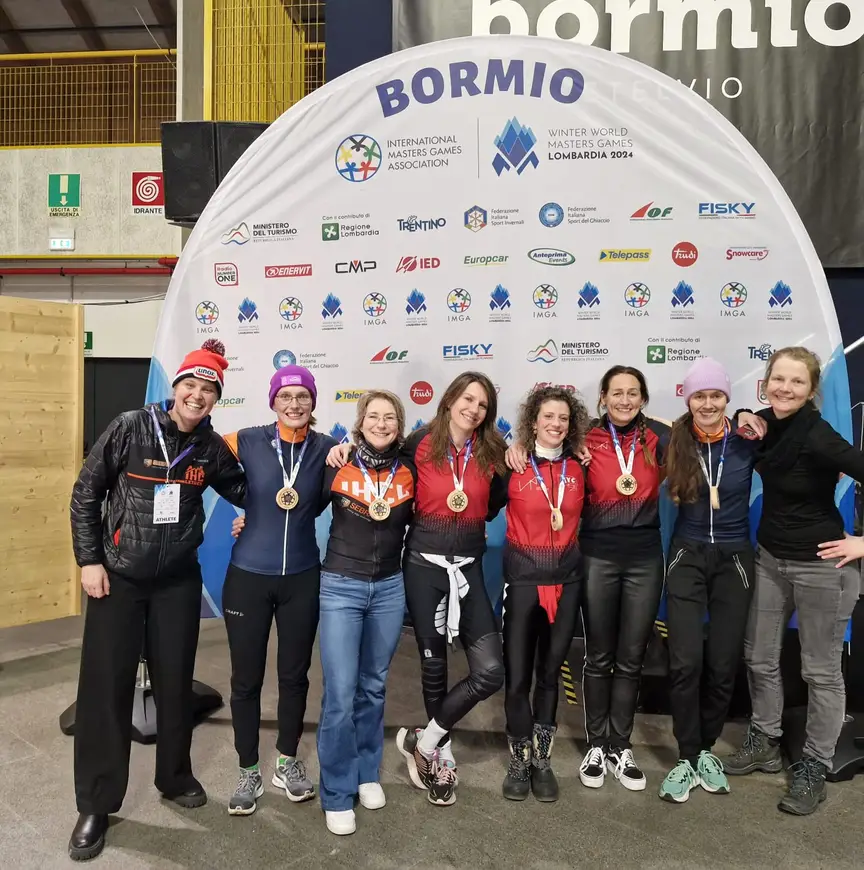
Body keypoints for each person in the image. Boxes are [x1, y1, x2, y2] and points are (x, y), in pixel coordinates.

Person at [68, 340, 246, 861]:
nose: (196, 395)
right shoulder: (130, 426)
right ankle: (97, 804)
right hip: (117, 579)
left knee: (173, 684)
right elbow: (87, 491)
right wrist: (89, 560)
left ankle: (174, 775)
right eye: (189, 385)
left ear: (215, 399)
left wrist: (256, 513)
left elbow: (251, 491)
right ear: (176, 389)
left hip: (175, 583)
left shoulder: (211, 448)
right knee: (107, 690)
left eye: (207, 389)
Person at [330, 372, 507, 806]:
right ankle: (440, 755)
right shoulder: (418, 443)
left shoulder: (494, 451)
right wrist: (345, 448)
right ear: (450, 400)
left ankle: (424, 740)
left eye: (482, 405)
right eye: (468, 399)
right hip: (423, 568)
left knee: (489, 671)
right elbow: (380, 461)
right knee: (434, 669)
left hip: (469, 569)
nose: (474, 409)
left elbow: (496, 502)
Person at [505, 367, 669, 791]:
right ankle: (595, 744)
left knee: (631, 657)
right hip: (593, 558)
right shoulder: (586, 442)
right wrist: (519, 445)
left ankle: (620, 744)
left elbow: (705, 428)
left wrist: (747, 415)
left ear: (644, 398)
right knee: (597, 655)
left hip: (643, 558)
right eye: (617, 392)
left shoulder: (659, 437)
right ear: (603, 397)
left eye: (634, 393)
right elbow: (540, 451)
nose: (625, 400)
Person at [724, 347, 864, 815]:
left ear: (811, 391)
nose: (785, 388)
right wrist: (746, 412)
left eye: (796, 382)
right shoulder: (765, 421)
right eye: (777, 379)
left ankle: (815, 765)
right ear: (765, 382)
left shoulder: (820, 436)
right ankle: (765, 740)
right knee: (759, 657)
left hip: (822, 568)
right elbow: (749, 420)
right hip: (768, 560)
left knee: (820, 672)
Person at [220, 366, 336, 816]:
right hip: (248, 576)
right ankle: (248, 768)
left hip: (302, 577)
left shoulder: (327, 448)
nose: (294, 403)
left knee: (295, 676)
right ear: (273, 400)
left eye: (302, 395)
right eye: (286, 395)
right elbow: (190, 449)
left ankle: (286, 762)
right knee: (245, 680)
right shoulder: (246, 440)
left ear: (313, 401)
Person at [658, 358, 759, 803]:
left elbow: (792, 437)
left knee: (721, 663)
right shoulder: (672, 439)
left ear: (727, 399)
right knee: (685, 662)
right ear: (688, 399)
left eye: (716, 395)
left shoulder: (747, 440)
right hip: (687, 554)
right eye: (699, 395)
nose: (708, 402)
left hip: (734, 557)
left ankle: (705, 751)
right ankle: (684, 757)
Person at [499, 386, 588, 802]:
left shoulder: (581, 465)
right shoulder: (512, 464)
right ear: (533, 421)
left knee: (550, 675)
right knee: (518, 677)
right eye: (548, 417)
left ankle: (542, 760)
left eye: (564, 419)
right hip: (522, 584)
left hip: (566, 582)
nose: (556, 424)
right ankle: (518, 760)